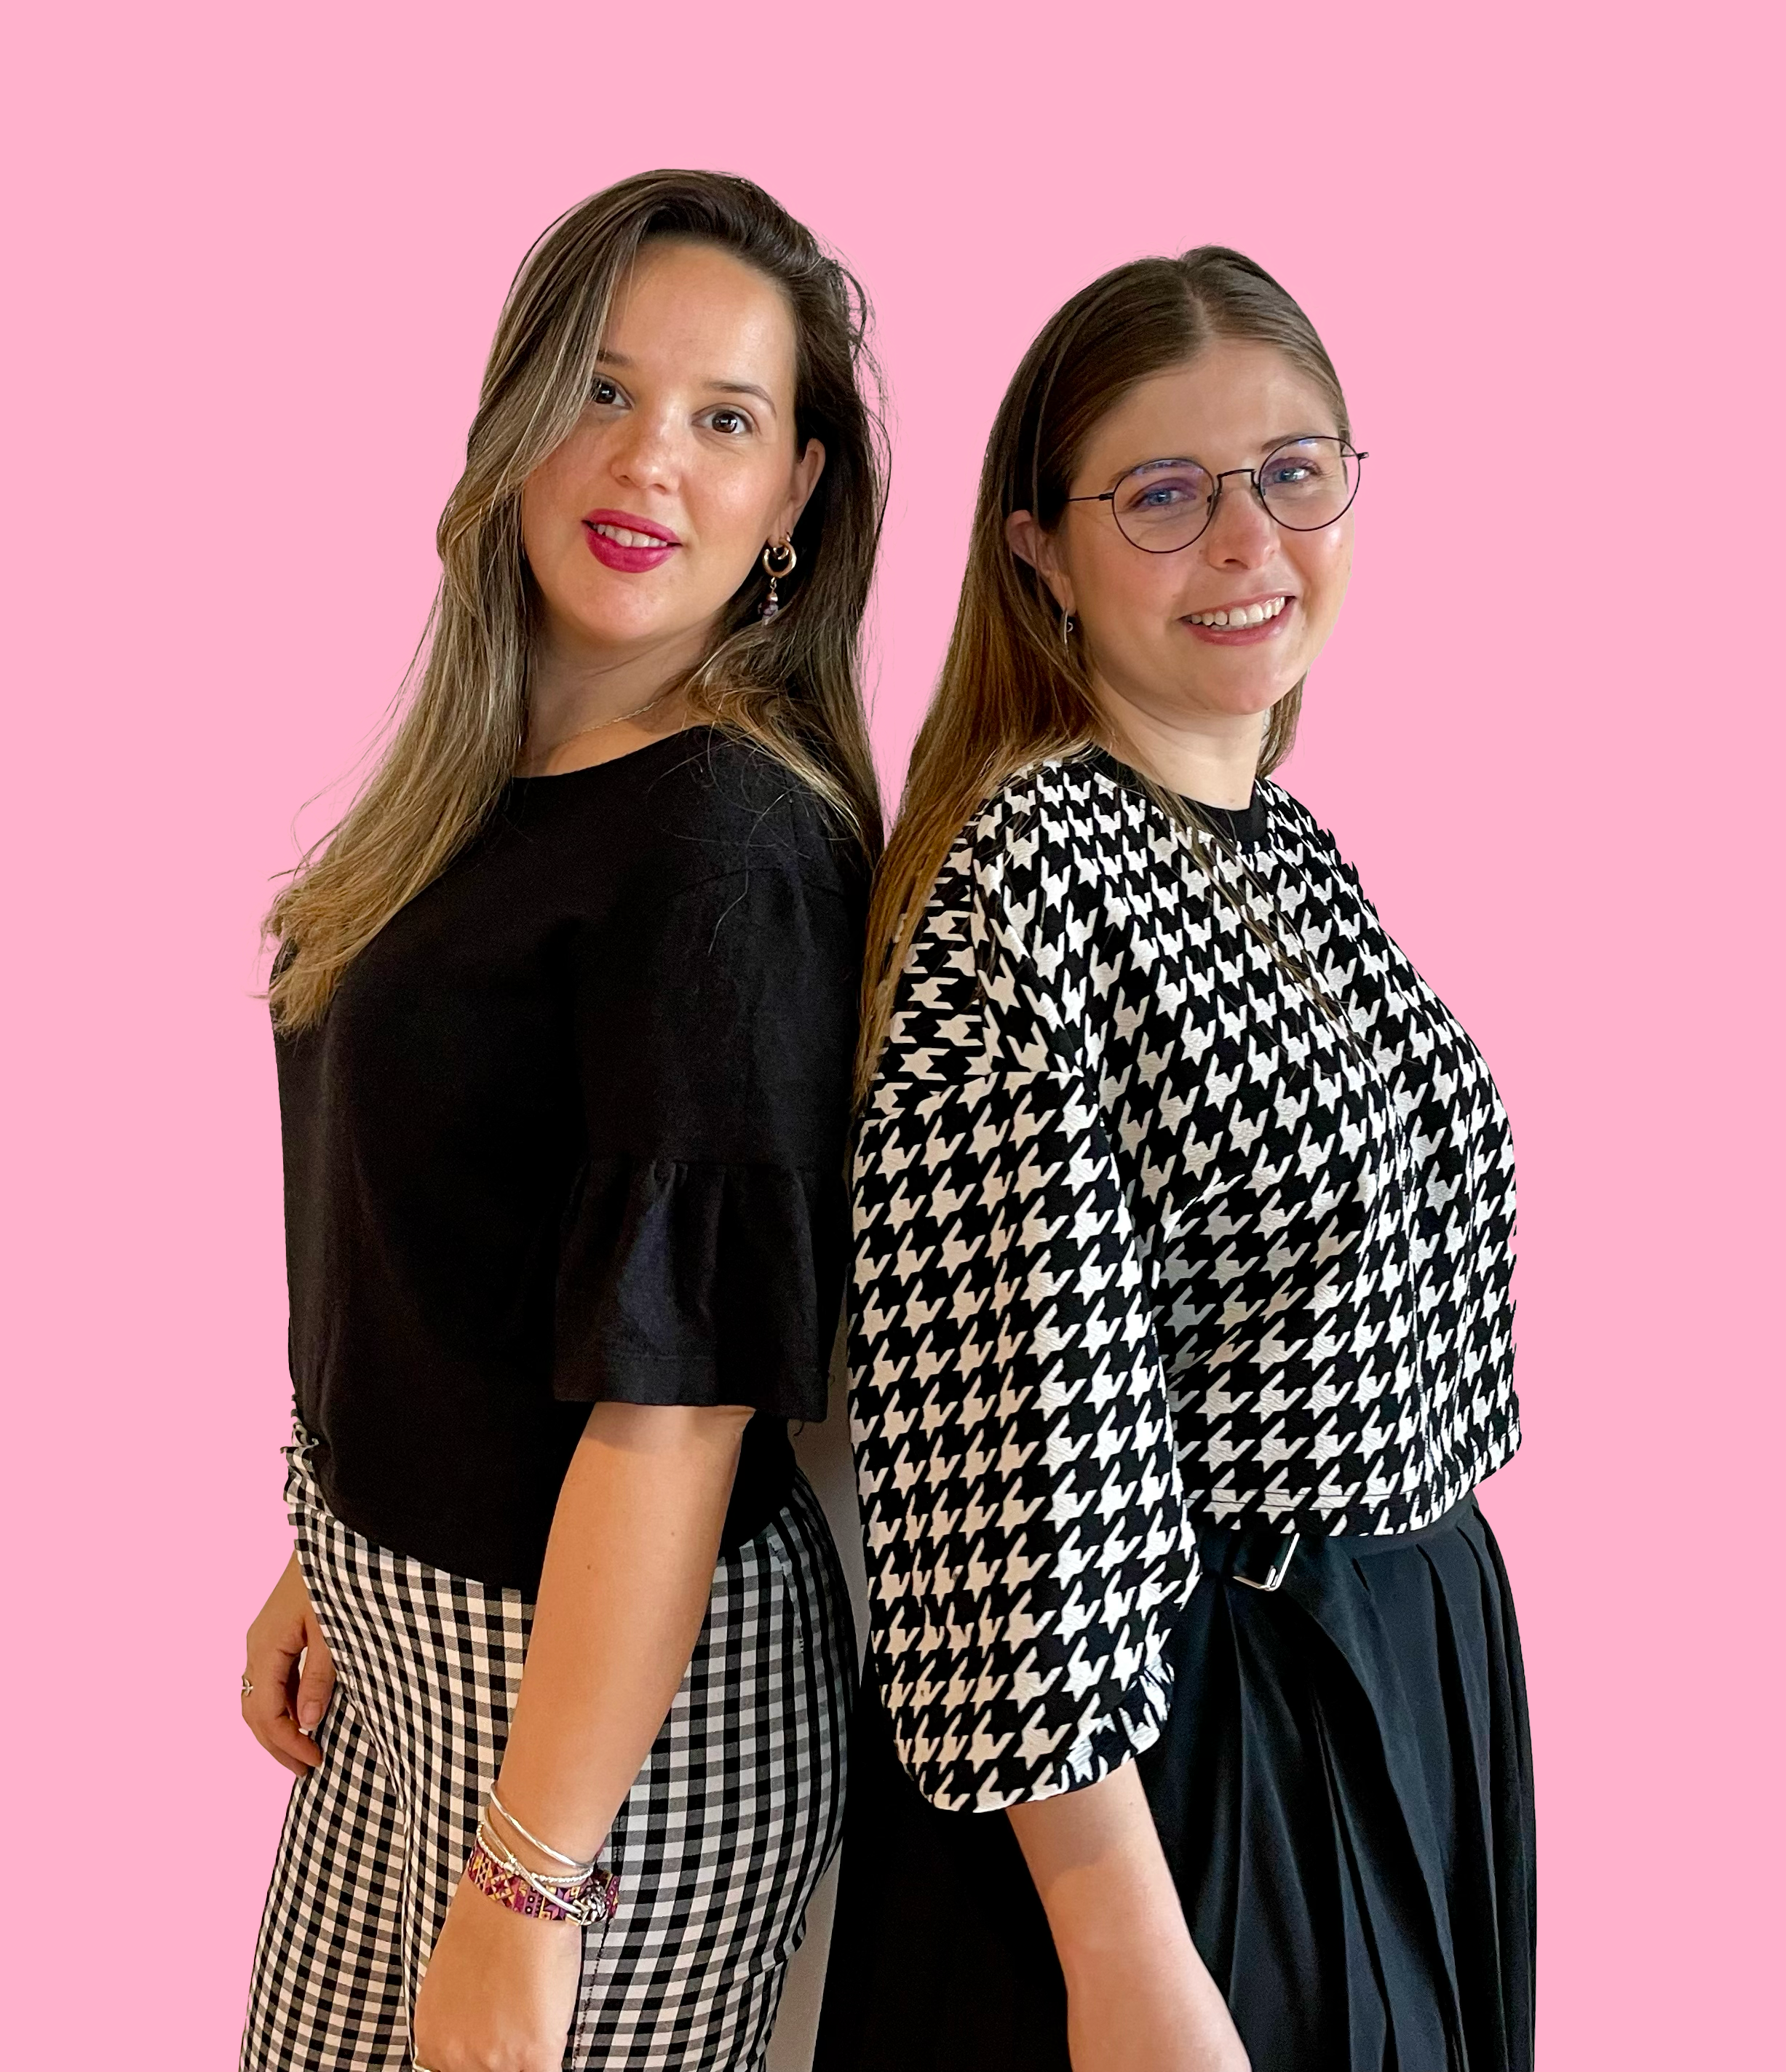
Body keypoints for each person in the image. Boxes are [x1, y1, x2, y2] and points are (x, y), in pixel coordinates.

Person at [818, 248, 1533, 2072]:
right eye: (1165, 495)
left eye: (1297, 472)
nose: (1248, 541)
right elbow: (1009, 1465)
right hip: (1191, 1753)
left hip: (1387, 1683)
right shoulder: (1025, 885)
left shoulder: (1268, 834)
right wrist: (1127, 1951)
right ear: (1036, 548)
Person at [237, 170, 886, 2072]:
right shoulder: (476, 782)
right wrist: (336, 1532)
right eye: (602, 390)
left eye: (724, 419)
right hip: (410, 1656)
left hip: (609, 1740)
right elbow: (444, 1228)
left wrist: (528, 1889)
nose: (649, 461)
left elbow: (671, 1409)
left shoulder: (723, 848)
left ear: (792, 497)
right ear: (517, 417)